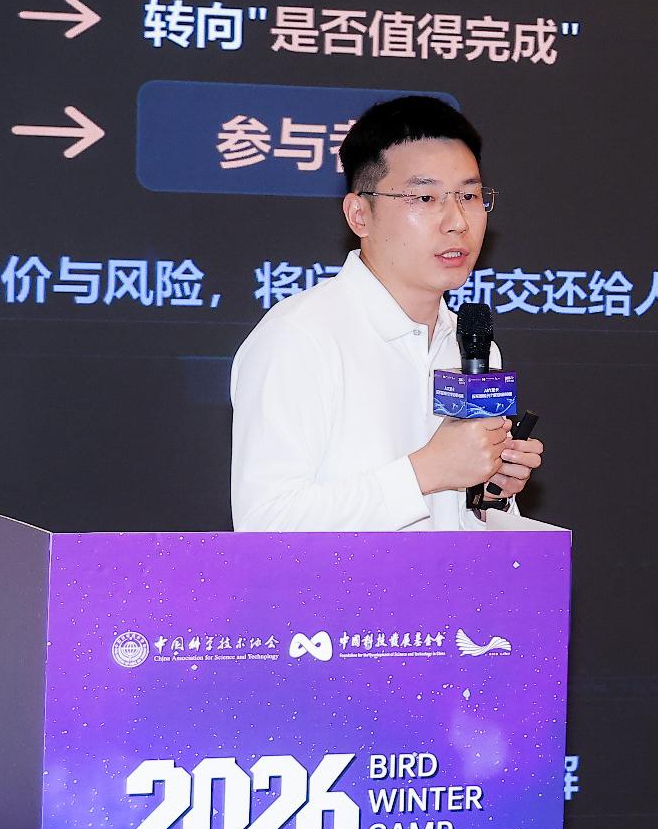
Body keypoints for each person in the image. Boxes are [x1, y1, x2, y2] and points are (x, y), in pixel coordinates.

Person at [228, 95, 545, 530]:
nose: (457, 221)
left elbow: (455, 525)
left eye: (469, 195)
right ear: (360, 214)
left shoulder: (472, 347)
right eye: (425, 197)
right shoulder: (301, 337)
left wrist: (488, 493)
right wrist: (426, 472)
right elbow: (265, 524)